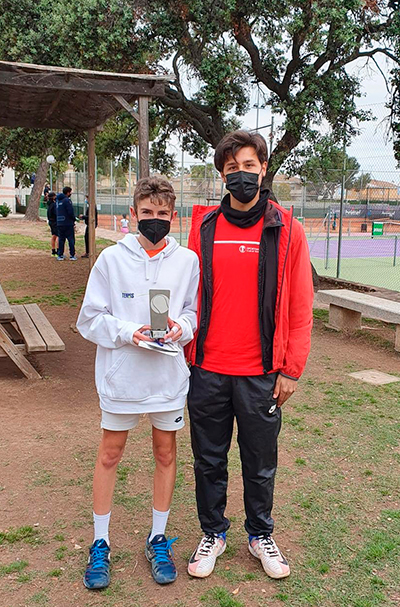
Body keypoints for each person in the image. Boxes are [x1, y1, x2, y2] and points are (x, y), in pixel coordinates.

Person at [185, 130, 313, 581]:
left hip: (261, 373)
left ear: (263, 169)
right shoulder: (202, 227)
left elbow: (300, 305)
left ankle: (260, 534)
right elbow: (187, 296)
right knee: (208, 459)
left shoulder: (286, 229)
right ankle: (213, 532)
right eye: (232, 167)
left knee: (260, 462)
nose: (242, 174)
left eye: (250, 165)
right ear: (222, 174)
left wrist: (291, 369)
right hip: (207, 370)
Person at [76, 176, 199, 589]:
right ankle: (100, 542)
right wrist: (131, 332)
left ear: (174, 217)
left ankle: (158, 537)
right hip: (122, 378)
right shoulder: (110, 260)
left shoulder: (187, 262)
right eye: (147, 213)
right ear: (132, 215)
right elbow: (89, 319)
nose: (154, 220)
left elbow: (190, 313)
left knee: (165, 453)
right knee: (110, 454)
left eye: (162, 214)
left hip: (166, 378)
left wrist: (178, 328)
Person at [56, 186, 77, 261]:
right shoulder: (67, 201)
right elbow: (70, 212)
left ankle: (60, 255)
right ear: (68, 193)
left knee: (61, 239)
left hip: (59, 223)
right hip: (68, 223)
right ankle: (72, 255)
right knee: (71, 239)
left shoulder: (58, 201)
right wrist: (74, 219)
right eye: (70, 192)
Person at [46, 192, 58, 256]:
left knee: (54, 235)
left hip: (51, 221)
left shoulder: (49, 204)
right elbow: (56, 213)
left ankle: (53, 250)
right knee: (57, 235)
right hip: (54, 221)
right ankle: (58, 250)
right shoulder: (54, 205)